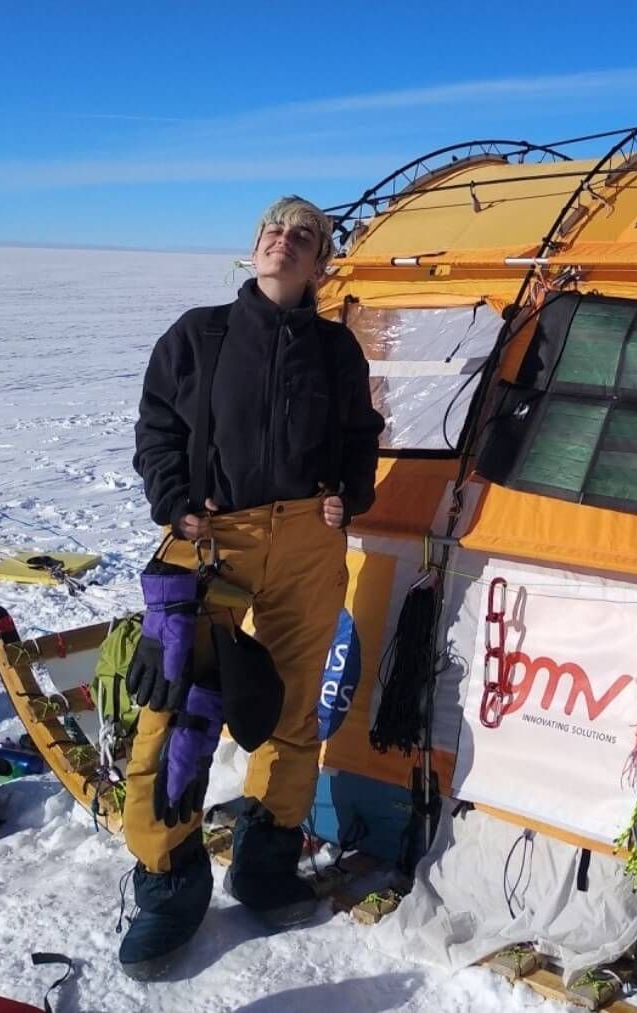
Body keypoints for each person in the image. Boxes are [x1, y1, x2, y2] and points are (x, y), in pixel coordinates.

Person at [119, 196, 384, 980]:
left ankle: (266, 858)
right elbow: (156, 428)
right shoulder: (198, 336)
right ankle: (169, 879)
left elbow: (360, 438)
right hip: (211, 539)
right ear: (255, 247)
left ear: (320, 264)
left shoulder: (338, 351)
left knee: (296, 707)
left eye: (304, 236)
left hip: (306, 537)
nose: (284, 240)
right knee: (177, 710)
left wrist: (351, 493)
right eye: (274, 229)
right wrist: (175, 500)